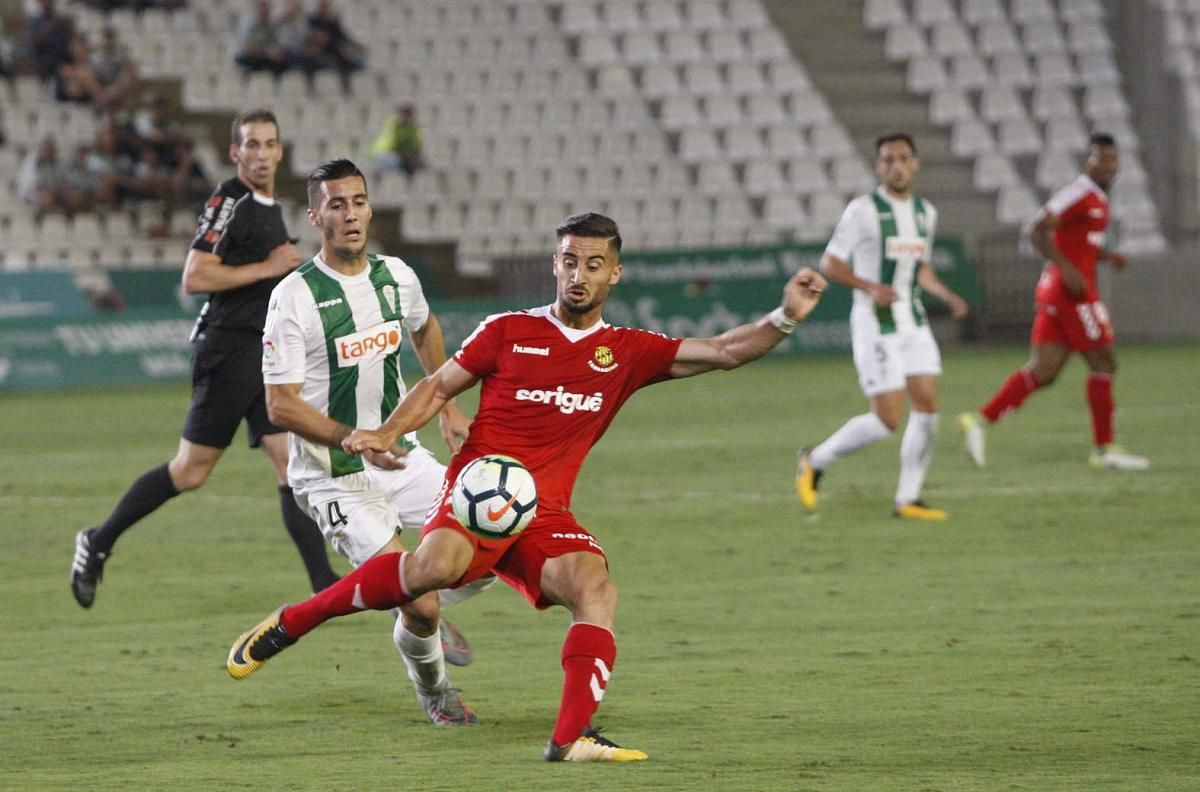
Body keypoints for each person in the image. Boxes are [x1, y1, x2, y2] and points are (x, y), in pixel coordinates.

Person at [226, 212, 827, 762]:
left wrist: (786, 318)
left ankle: (570, 739)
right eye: (569, 261)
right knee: (426, 580)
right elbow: (437, 385)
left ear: (614, 273)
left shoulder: (626, 352)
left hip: (542, 510)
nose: (578, 275)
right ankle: (294, 622)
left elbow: (723, 351)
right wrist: (387, 432)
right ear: (555, 264)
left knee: (595, 588)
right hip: (478, 490)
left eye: (593, 265)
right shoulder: (508, 330)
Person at [69, 110, 339, 607]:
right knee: (191, 471)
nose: (261, 154)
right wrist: (268, 266)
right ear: (235, 153)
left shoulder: (270, 206)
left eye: (269, 144)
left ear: (281, 151)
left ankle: (324, 585)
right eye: (251, 145)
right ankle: (97, 541)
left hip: (263, 354)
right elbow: (195, 277)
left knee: (289, 464)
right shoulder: (228, 201)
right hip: (228, 351)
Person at [252, 158, 486, 724]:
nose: (350, 214)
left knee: (485, 541)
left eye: (357, 201)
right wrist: (352, 437)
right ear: (315, 217)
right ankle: (434, 690)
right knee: (423, 603)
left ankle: (405, 600)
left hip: (400, 458)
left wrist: (449, 407)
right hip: (332, 475)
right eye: (336, 204)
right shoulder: (295, 297)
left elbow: (425, 328)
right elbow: (279, 404)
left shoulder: (396, 276)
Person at [795, 132, 969, 521]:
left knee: (927, 407)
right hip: (875, 324)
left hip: (914, 322)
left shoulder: (926, 212)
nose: (896, 166)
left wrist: (945, 294)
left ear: (915, 163)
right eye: (888, 160)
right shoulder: (864, 210)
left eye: (903, 158)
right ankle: (815, 459)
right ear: (879, 166)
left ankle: (907, 498)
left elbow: (919, 267)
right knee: (888, 418)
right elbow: (831, 263)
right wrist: (870, 287)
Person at [957, 134, 1149, 471]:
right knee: (1105, 363)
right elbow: (1036, 230)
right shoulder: (1078, 193)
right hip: (1071, 293)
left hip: (1057, 290)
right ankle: (1105, 450)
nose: (1107, 166)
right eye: (1100, 159)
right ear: (1087, 162)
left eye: (1112, 160)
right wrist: (1066, 268)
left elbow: (1077, 243)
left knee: (1044, 371)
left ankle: (978, 421)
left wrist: (1106, 257)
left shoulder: (1098, 199)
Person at [369, 105, 425, 177]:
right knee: (396, 163)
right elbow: (393, 148)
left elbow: (417, 147)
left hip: (404, 156)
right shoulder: (393, 126)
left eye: (408, 114)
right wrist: (408, 157)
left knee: (421, 164)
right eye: (403, 113)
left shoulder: (412, 129)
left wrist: (416, 157)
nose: (405, 117)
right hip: (382, 154)